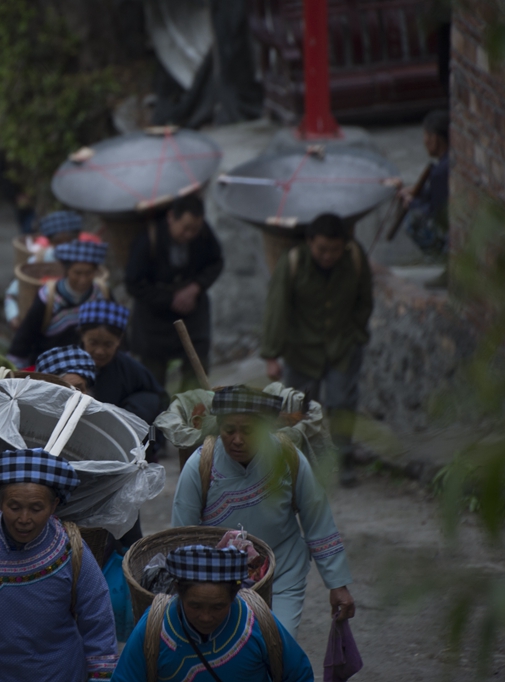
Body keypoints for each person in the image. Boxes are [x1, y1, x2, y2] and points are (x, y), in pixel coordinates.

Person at [171, 385, 356, 637]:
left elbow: (317, 519)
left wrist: (338, 585)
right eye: (229, 430)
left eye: (248, 431)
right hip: (217, 584)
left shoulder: (287, 456)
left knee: (277, 647)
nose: (237, 439)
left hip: (282, 573)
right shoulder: (200, 465)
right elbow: (182, 537)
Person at [0, 448, 118, 681]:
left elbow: (98, 620)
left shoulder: (71, 550)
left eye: (36, 509)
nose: (24, 519)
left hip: (55, 673)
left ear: (54, 506)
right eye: (14, 507)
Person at [260, 213, 373, 486]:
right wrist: (272, 355)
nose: (328, 256)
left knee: (342, 404)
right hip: (302, 350)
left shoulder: (355, 258)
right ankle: (300, 464)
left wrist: (357, 333)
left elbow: (365, 299)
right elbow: (277, 308)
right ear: (310, 242)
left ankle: (343, 460)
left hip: (342, 346)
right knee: (300, 410)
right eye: (322, 249)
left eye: (335, 250)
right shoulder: (293, 262)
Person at [112, 545, 314, 682]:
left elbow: (299, 674)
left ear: (235, 594)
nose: (206, 617)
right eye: (195, 606)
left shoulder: (257, 623)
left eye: (218, 607)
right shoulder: (154, 629)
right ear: (178, 592)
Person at [125, 193, 224, 393]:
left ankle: (193, 416)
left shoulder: (203, 234)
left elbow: (216, 262)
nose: (189, 235)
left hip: (193, 313)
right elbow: (133, 283)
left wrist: (195, 287)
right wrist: (170, 299)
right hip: (155, 318)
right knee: (151, 381)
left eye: (194, 229)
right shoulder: (149, 238)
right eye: (185, 228)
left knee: (197, 373)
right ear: (171, 217)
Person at [8, 240, 110, 367]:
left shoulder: (101, 294)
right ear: (67, 272)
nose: (83, 279)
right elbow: (25, 338)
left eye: (88, 273)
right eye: (77, 273)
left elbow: (116, 333)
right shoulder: (49, 296)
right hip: (51, 366)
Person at [77, 300, 166, 429]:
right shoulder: (65, 363)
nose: (100, 351)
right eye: (93, 343)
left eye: (108, 344)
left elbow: (159, 399)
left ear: (119, 341)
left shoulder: (130, 369)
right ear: (82, 336)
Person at [3, 210, 83, 329]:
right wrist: (13, 317)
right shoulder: (40, 259)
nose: (65, 246)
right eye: (59, 242)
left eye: (70, 241)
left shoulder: (85, 262)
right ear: (50, 242)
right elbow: (12, 294)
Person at [398, 109, 450, 288]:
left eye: (426, 136)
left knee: (414, 221)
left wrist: (411, 203)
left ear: (434, 138)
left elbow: (436, 211)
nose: (424, 141)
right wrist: (417, 193)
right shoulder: (447, 163)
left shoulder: (442, 170)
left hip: (450, 229)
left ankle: (449, 264)